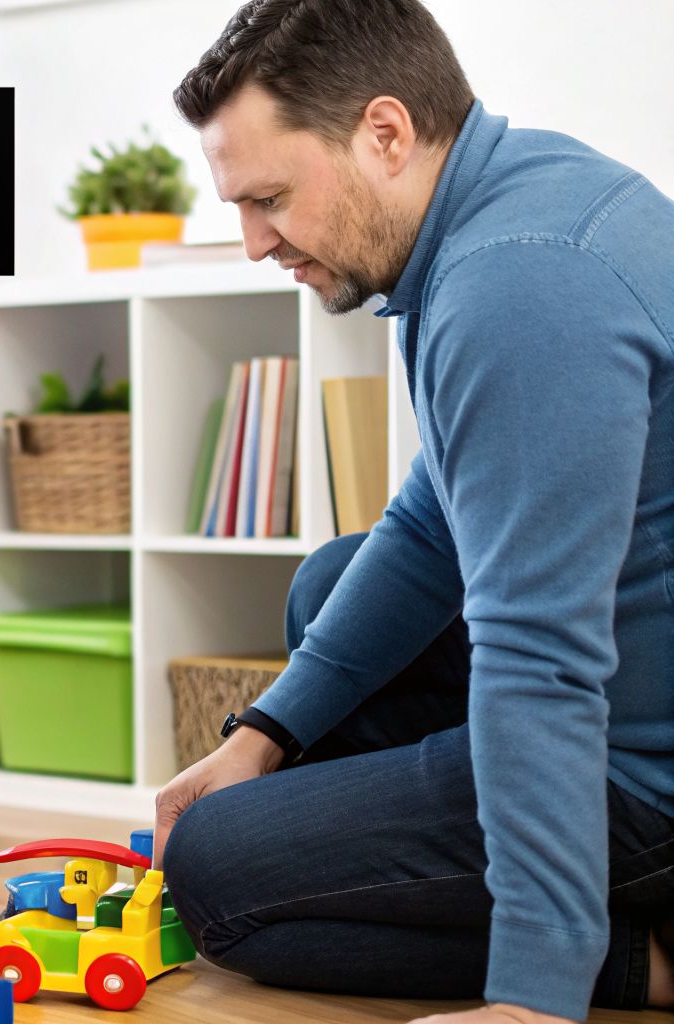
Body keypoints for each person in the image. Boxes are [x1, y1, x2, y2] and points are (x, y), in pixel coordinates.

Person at [151, 2, 674, 1023]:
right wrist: (262, 733)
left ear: (384, 134)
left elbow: (540, 656)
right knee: (332, 582)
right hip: (634, 672)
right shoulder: (503, 202)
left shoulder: (517, 288)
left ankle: (641, 960)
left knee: (217, 876)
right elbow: (433, 527)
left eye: (269, 199)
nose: (252, 242)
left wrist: (532, 996)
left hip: (645, 766)